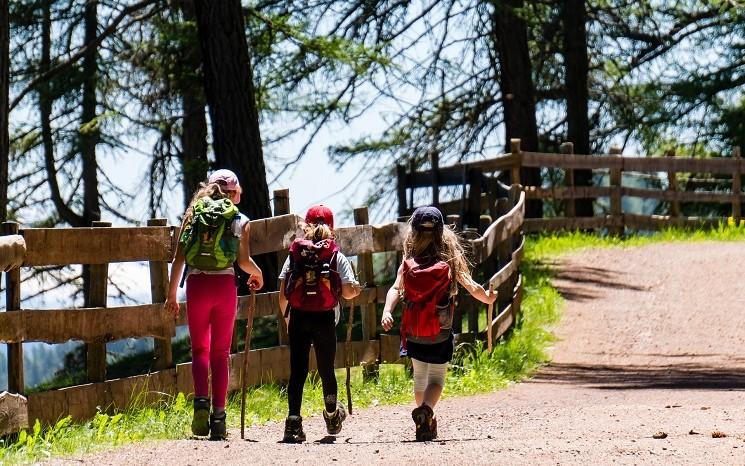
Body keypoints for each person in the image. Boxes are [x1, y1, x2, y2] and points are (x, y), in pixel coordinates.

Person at [381, 206, 496, 441]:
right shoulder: (449, 257)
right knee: (436, 380)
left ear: (413, 231)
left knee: (420, 377)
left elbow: (395, 288)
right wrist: (488, 297)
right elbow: (470, 285)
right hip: (440, 332)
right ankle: (427, 411)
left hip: (414, 332)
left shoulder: (409, 259)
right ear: (441, 231)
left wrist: (387, 311)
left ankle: (424, 422)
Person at [164, 169, 264, 440]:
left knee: (199, 351)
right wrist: (258, 274)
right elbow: (243, 262)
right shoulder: (240, 220)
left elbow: (179, 260)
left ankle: (200, 404)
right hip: (224, 288)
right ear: (235, 192)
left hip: (197, 286)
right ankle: (218, 417)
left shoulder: (193, 215)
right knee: (220, 354)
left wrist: (172, 295)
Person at [278, 204, 361, 443]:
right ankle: (333, 416)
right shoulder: (336, 255)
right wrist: (355, 290)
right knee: (326, 370)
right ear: (332, 227)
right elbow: (346, 291)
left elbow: (283, 293)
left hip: (299, 317)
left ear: (305, 226)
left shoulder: (295, 255)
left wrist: (287, 318)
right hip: (325, 318)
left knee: (298, 371)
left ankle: (293, 423)